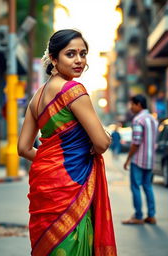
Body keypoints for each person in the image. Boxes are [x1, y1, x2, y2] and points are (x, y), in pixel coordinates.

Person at [18, 29, 117, 255]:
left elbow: (23, 149)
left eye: (83, 54)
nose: (79, 60)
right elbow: (101, 143)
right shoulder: (73, 91)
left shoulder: (37, 97)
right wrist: (105, 138)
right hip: (72, 182)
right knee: (74, 243)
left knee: (50, 245)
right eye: (70, 54)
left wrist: (50, 159)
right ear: (53, 58)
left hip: (45, 183)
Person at [122, 95, 158, 225]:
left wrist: (128, 159)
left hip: (138, 160)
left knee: (135, 186)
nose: (131, 107)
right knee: (148, 186)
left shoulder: (138, 120)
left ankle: (138, 216)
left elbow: (136, 143)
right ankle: (151, 216)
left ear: (139, 105)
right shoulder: (153, 120)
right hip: (150, 159)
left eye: (132, 104)